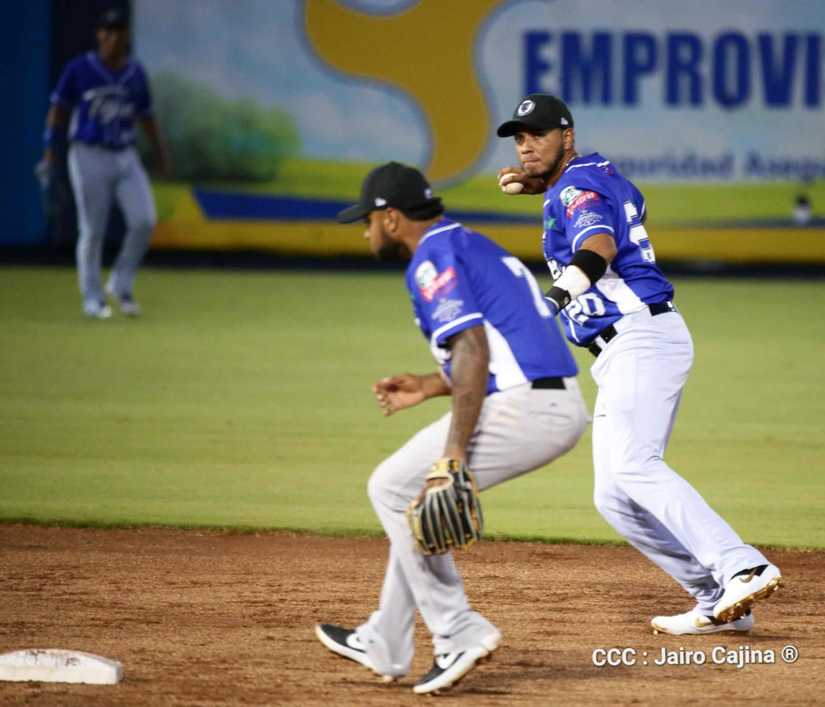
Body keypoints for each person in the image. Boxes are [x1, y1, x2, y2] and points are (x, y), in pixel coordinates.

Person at [495, 94, 782, 636]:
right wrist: (543, 185)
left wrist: (552, 300)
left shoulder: (580, 186)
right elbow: (628, 204)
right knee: (614, 495)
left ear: (567, 136)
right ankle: (717, 598)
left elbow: (599, 245)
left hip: (639, 338)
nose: (526, 144)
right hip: (630, 345)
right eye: (519, 136)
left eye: (537, 133)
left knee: (634, 465)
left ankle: (742, 564)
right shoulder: (594, 176)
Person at [315, 162, 588, 694]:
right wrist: (430, 384)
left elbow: (473, 349)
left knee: (393, 488)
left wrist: (453, 454)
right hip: (546, 398)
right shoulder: (466, 243)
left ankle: (458, 630)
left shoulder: (432, 258)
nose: (366, 232)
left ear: (391, 219)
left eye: (368, 221)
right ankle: (386, 640)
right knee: (411, 502)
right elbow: (499, 347)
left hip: (527, 406)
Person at [40, 8, 169, 319]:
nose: (114, 37)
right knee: (93, 229)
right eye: (108, 31)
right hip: (88, 154)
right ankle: (92, 298)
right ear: (100, 35)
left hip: (125, 154)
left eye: (120, 31)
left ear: (126, 36)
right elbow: (58, 109)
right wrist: (49, 149)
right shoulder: (79, 69)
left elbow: (146, 117)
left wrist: (161, 151)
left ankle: (120, 284)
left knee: (144, 220)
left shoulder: (135, 73)